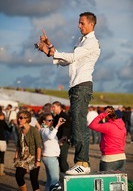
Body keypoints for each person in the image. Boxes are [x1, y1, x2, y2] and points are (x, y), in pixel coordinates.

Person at [37, 11, 101, 175]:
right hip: (76, 86)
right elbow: (67, 61)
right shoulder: (82, 41)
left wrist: (51, 52)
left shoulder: (92, 42)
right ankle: (80, 162)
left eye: (82, 23)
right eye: (79, 23)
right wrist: (50, 48)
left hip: (82, 85)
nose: (79, 26)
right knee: (77, 125)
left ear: (91, 24)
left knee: (79, 125)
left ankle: (83, 163)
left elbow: (72, 57)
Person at [89, 106, 126, 172]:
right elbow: (123, 142)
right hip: (122, 157)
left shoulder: (108, 126)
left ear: (108, 116)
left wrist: (103, 114)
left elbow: (92, 125)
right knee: (120, 181)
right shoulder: (123, 127)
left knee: (106, 181)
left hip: (109, 157)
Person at [14, 110, 42, 191]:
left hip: (33, 157)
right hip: (22, 157)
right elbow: (18, 145)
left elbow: (39, 146)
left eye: (21, 118)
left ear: (27, 119)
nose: (19, 119)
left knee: (34, 180)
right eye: (18, 118)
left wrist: (38, 160)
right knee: (18, 176)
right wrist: (16, 156)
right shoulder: (20, 130)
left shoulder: (34, 130)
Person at [39, 112, 65, 191]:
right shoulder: (44, 129)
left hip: (49, 156)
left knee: (50, 180)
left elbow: (51, 140)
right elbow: (50, 137)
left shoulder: (48, 129)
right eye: (49, 120)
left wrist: (60, 141)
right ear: (44, 121)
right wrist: (57, 126)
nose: (52, 122)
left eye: (53, 120)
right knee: (55, 180)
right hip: (50, 157)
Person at [52, 101, 71, 173]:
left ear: (59, 107)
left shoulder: (63, 116)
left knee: (63, 161)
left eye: (54, 107)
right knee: (60, 160)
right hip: (59, 140)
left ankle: (67, 178)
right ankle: (62, 178)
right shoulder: (57, 116)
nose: (52, 108)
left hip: (63, 141)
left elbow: (66, 128)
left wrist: (62, 141)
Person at [0, 111, 12, 175]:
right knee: (2, 156)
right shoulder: (3, 122)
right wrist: (12, 125)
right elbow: (9, 130)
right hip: (2, 141)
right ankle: (1, 171)